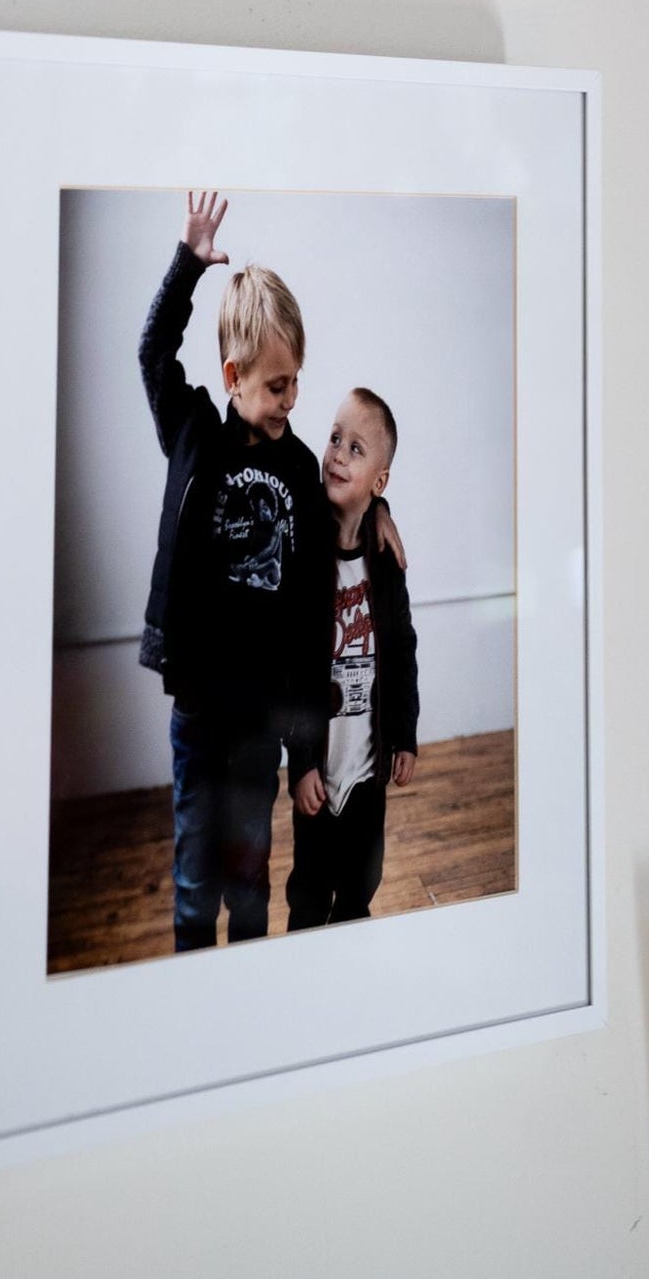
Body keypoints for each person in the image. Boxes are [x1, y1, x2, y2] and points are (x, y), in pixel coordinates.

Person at [137, 189, 333, 952]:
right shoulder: (192, 435)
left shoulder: (303, 468)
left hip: (262, 723)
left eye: (296, 379)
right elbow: (152, 349)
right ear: (233, 375)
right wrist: (189, 262)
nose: (293, 397)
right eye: (278, 383)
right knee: (194, 883)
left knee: (249, 879)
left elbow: (315, 606)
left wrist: (309, 748)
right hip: (197, 716)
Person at [285, 387, 417, 929]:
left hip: (367, 769)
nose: (338, 453)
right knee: (309, 891)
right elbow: (291, 670)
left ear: (379, 482)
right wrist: (300, 764)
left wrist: (405, 734)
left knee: (361, 884)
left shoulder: (384, 563)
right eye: (335, 438)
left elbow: (403, 651)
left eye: (356, 449)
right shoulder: (305, 550)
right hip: (320, 766)